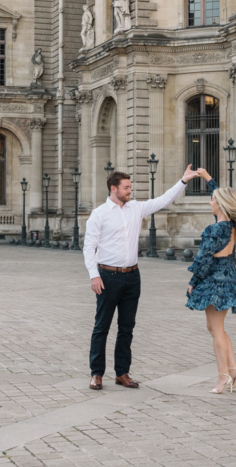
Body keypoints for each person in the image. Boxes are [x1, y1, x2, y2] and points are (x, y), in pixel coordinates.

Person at [83, 164, 197, 390]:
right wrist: (94, 275)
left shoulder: (136, 208)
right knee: (101, 327)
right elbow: (89, 247)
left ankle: (122, 373)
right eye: (126, 188)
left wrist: (183, 181)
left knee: (127, 327)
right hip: (107, 276)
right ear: (113, 189)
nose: (130, 191)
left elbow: (163, 200)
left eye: (130, 187)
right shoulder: (99, 214)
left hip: (132, 276)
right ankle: (97, 374)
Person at [184, 169, 236, 394]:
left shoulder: (215, 229)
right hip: (228, 278)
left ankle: (223, 376)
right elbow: (221, 198)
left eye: (212, 200)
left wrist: (193, 282)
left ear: (219, 205)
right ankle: (233, 371)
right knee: (215, 327)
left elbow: (203, 259)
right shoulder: (228, 225)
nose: (210, 202)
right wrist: (208, 178)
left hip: (215, 281)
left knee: (216, 329)